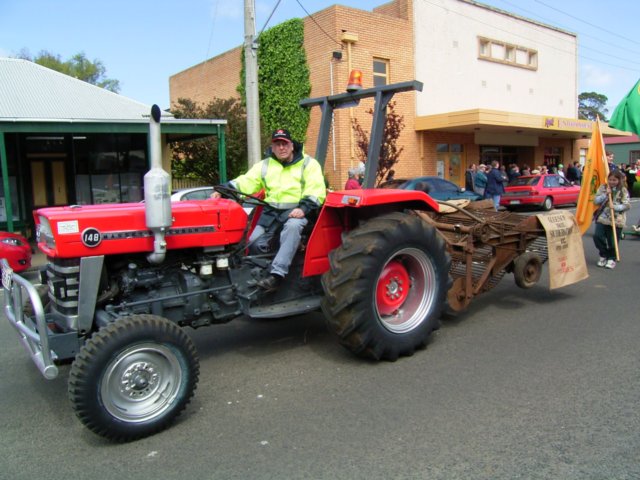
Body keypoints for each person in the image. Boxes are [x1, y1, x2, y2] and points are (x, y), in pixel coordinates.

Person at [212, 128, 327, 290]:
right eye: (277, 144)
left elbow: (316, 190)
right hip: (270, 215)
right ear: (272, 147)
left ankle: (277, 275)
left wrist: (303, 208)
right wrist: (224, 190)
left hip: (297, 212)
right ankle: (256, 274)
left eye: (284, 144)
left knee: (293, 227)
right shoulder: (264, 166)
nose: (281, 148)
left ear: (292, 145)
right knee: (252, 242)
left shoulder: (308, 164)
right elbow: (246, 181)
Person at [592, 170, 630, 269]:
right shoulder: (603, 187)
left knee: (612, 241)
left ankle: (611, 258)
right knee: (597, 236)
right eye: (610, 179)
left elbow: (627, 205)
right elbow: (595, 201)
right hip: (603, 218)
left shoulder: (623, 190)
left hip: (617, 219)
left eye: (614, 180)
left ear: (619, 180)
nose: (612, 182)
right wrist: (605, 194)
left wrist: (615, 207)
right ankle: (603, 254)